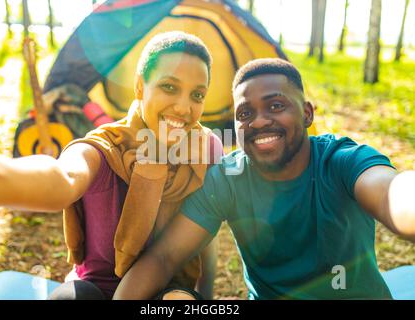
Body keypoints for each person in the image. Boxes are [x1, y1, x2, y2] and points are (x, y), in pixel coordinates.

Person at [113, 58, 415, 300]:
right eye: (244, 113)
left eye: (276, 106)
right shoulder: (227, 179)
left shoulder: (342, 161)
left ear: (307, 114)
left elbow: (394, 193)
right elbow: (164, 257)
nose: (258, 121)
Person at [0, 31, 223, 300]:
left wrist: (204, 297)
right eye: (169, 87)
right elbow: (63, 178)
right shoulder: (106, 148)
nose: (184, 108)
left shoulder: (205, 149)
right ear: (139, 86)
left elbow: (207, 231)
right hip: (94, 290)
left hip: (168, 290)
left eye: (197, 95)